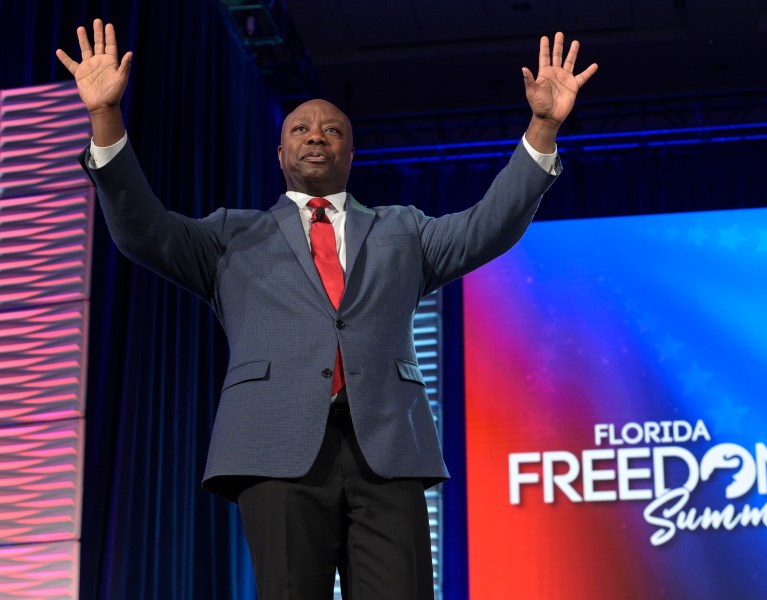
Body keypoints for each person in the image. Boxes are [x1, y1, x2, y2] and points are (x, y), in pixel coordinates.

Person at [57, 19, 597, 600]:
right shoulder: (230, 236)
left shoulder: (403, 229)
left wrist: (543, 127)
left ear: (351, 152)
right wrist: (105, 118)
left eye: (332, 130)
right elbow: (142, 231)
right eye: (301, 129)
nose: (316, 136)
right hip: (275, 447)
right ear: (280, 152)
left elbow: (487, 226)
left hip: (387, 447)